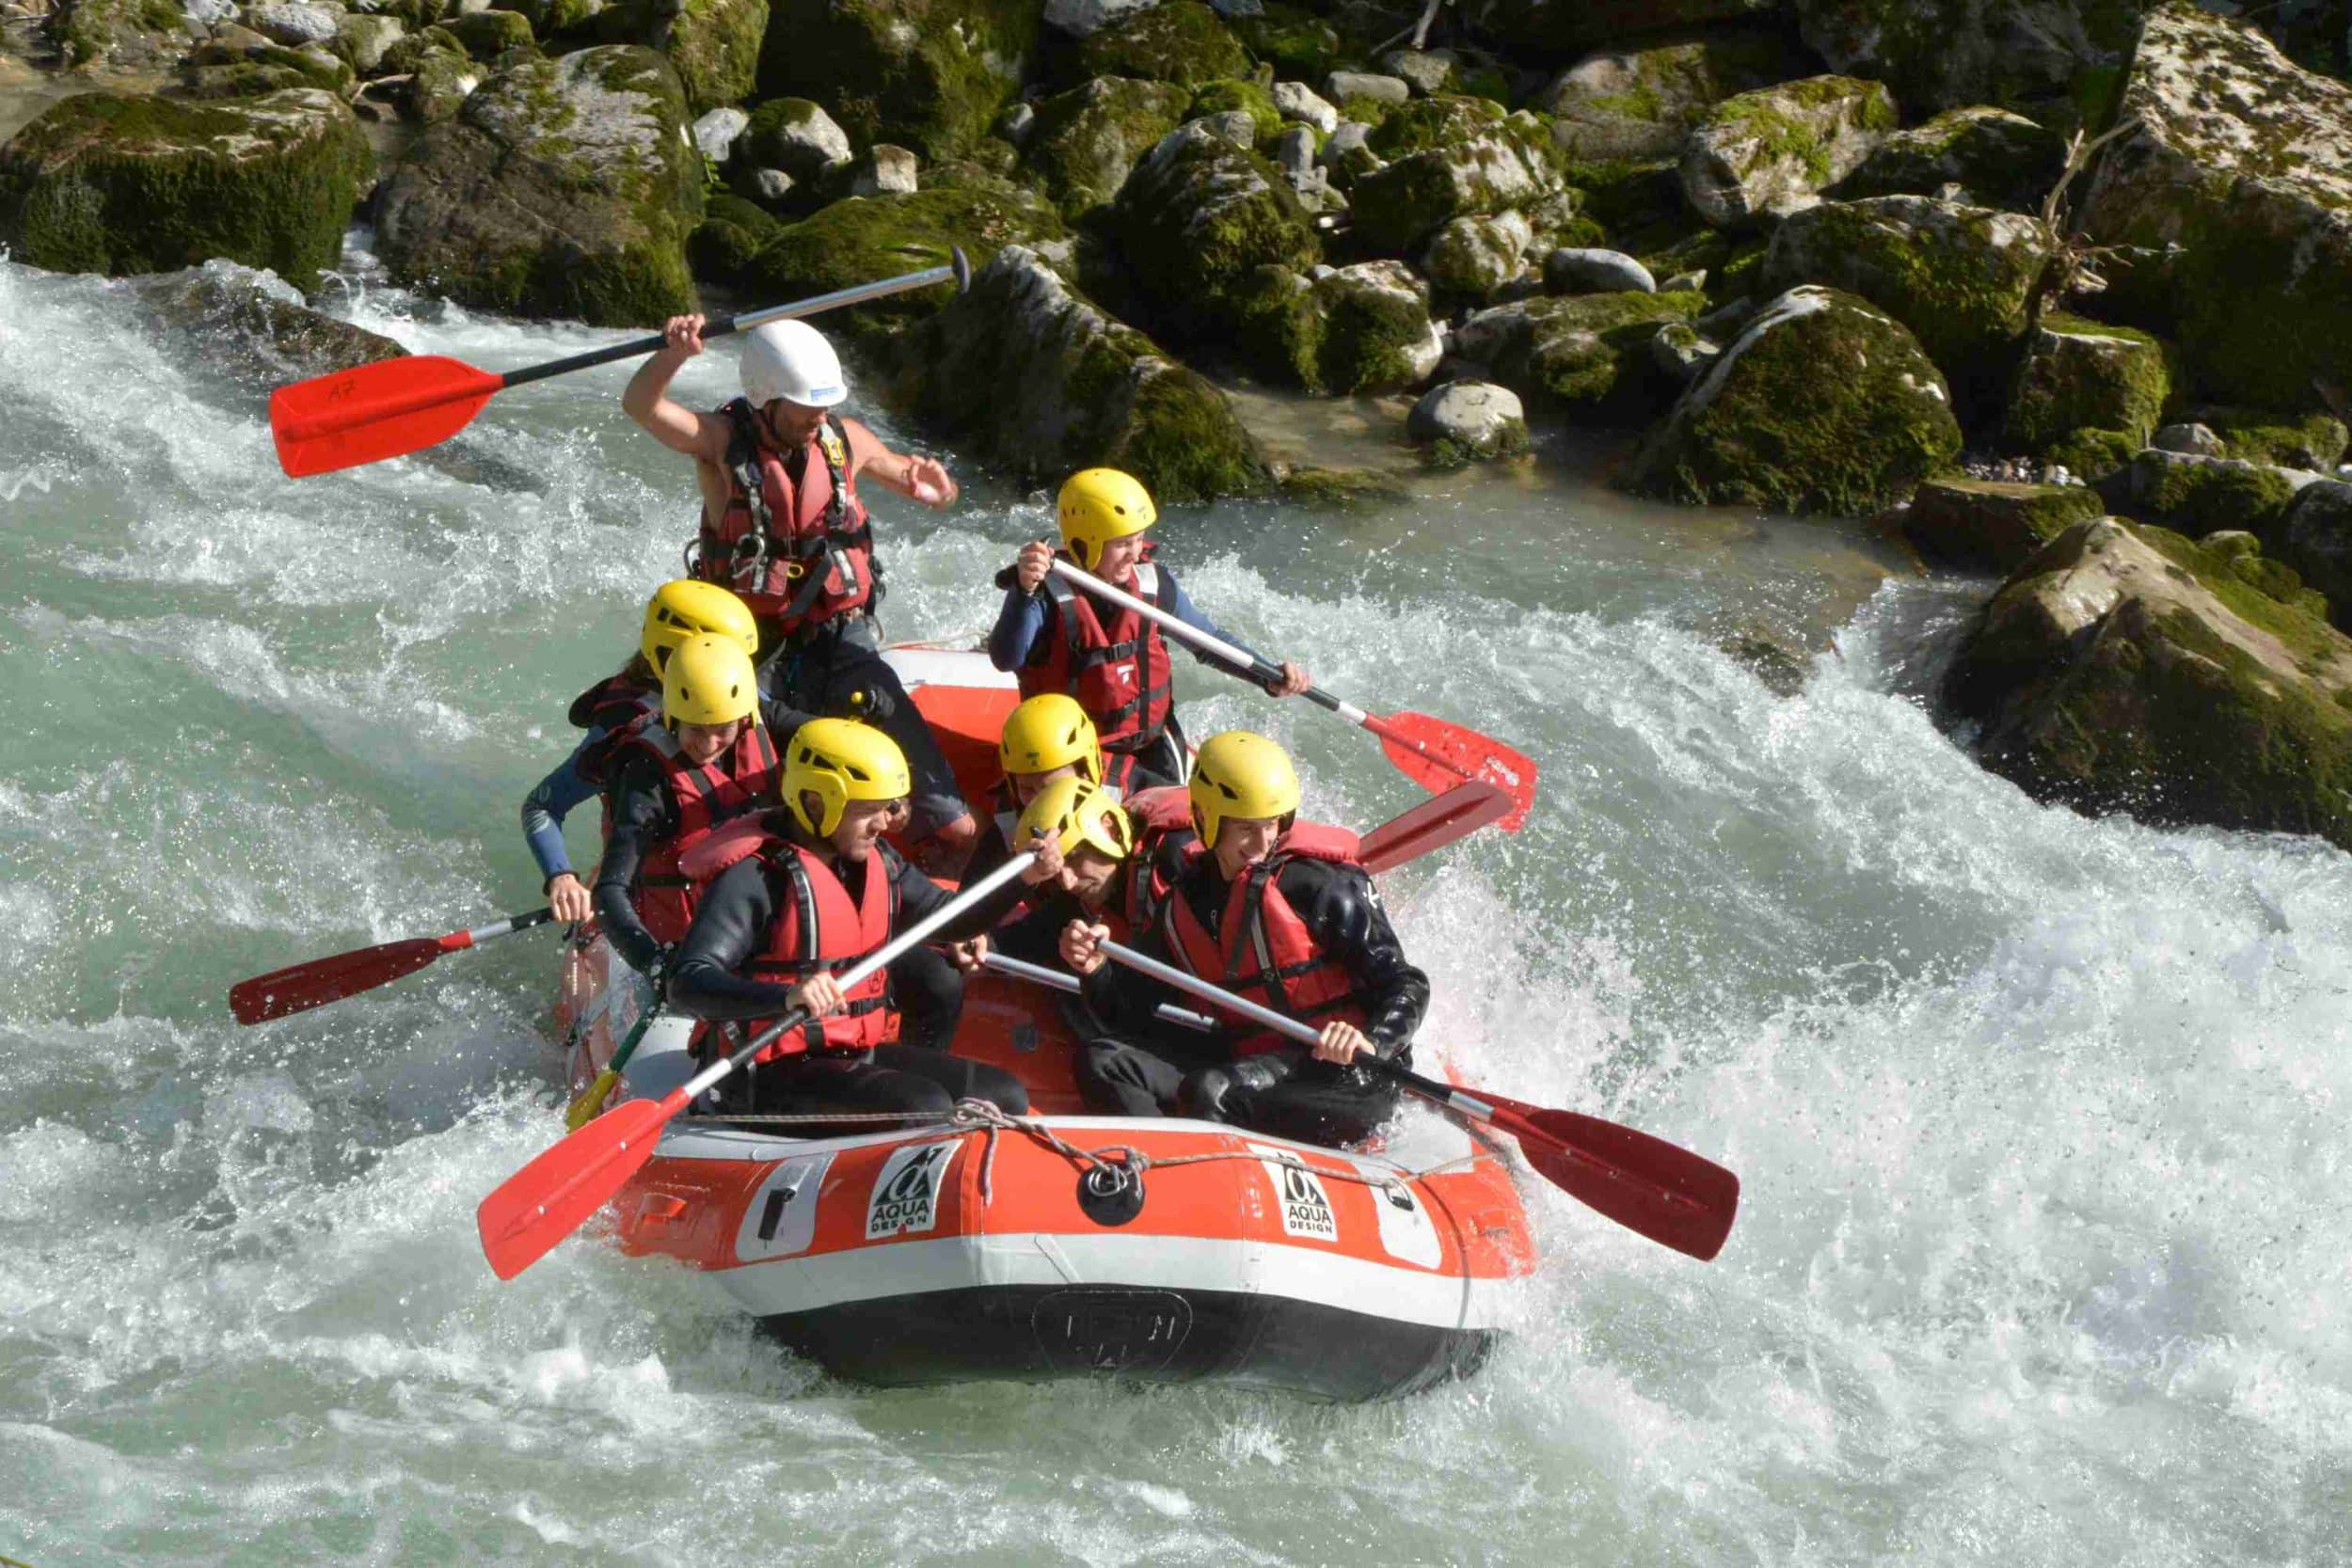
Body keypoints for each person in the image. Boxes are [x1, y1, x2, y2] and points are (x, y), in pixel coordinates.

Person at [622, 312, 977, 868]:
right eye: (806, 408)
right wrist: (674, 352)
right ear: (767, 399)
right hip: (752, 648)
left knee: (955, 822)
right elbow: (642, 407)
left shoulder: (845, 439)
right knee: (757, 807)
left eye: (824, 406)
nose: (818, 417)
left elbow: (924, 483)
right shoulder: (719, 442)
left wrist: (940, 490)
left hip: (840, 638)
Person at [666, 719, 1056, 1119]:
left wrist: (1027, 878)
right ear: (817, 802)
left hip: (850, 1053)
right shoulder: (755, 876)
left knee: (1005, 1094)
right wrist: (785, 997)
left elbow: (953, 919)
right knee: (928, 1107)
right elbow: (687, 982)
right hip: (768, 1075)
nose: (884, 823)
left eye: (886, 809)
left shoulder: (878, 861)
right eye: (869, 811)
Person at [1058, 731, 1425, 1148]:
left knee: (1211, 1091)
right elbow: (1130, 1012)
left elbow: (1406, 984)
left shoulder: (1320, 886)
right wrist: (1096, 970)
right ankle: (1159, 1170)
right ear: (1205, 818)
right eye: (1246, 829)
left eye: (1272, 826)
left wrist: (1371, 1041)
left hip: (1350, 1078)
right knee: (1106, 1061)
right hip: (1257, 1066)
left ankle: (1211, 1185)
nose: (1262, 844)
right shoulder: (1184, 906)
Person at [989, 467, 1313, 792]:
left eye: (1138, 539)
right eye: (1120, 544)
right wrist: (1024, 591)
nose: (1133, 553)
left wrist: (1267, 676)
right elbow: (1005, 657)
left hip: (1152, 740)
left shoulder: (1154, 585)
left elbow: (1208, 642)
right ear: (1083, 541)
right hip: (1073, 754)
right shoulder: (1043, 593)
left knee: (1179, 821)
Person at [523, 580, 758, 923]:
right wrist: (561, 877)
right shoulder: (623, 724)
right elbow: (541, 805)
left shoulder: (736, 692)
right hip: (648, 885)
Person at [586, 633, 780, 981]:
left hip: (762, 926)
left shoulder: (764, 721)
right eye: (694, 729)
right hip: (686, 947)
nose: (708, 744)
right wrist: (655, 964)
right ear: (673, 715)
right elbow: (610, 891)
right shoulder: (647, 780)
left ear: (743, 717)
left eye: (722, 730)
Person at [992, 774, 1194, 967]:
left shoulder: (1178, 858)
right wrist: (985, 945)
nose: (1068, 882)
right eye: (1056, 873)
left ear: (1109, 830)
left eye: (1073, 858)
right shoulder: (1089, 887)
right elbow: (1031, 934)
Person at [959, 693, 1117, 894]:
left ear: (1086, 773)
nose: (1039, 800)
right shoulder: (1011, 823)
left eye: (1051, 788)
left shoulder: (1135, 798)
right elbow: (971, 898)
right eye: (1026, 788)